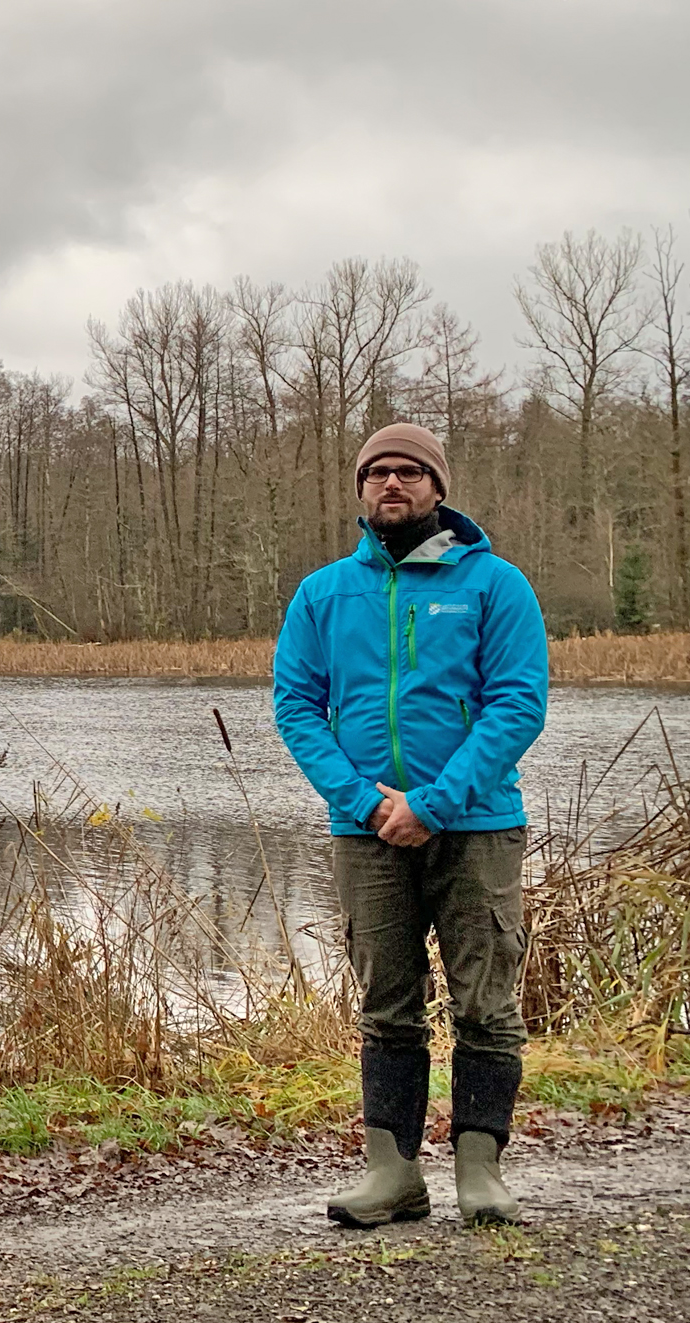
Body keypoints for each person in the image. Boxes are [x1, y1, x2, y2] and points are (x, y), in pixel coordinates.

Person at [273, 422, 548, 1228]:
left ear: (437, 486)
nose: (391, 483)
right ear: (360, 490)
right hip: (365, 833)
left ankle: (479, 1173)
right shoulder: (323, 594)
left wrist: (432, 801)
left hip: (477, 826)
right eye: (377, 473)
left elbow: (516, 703)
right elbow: (296, 706)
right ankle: (392, 1175)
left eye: (409, 472)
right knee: (385, 1003)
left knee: (484, 1003)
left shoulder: (495, 585)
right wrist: (365, 801)